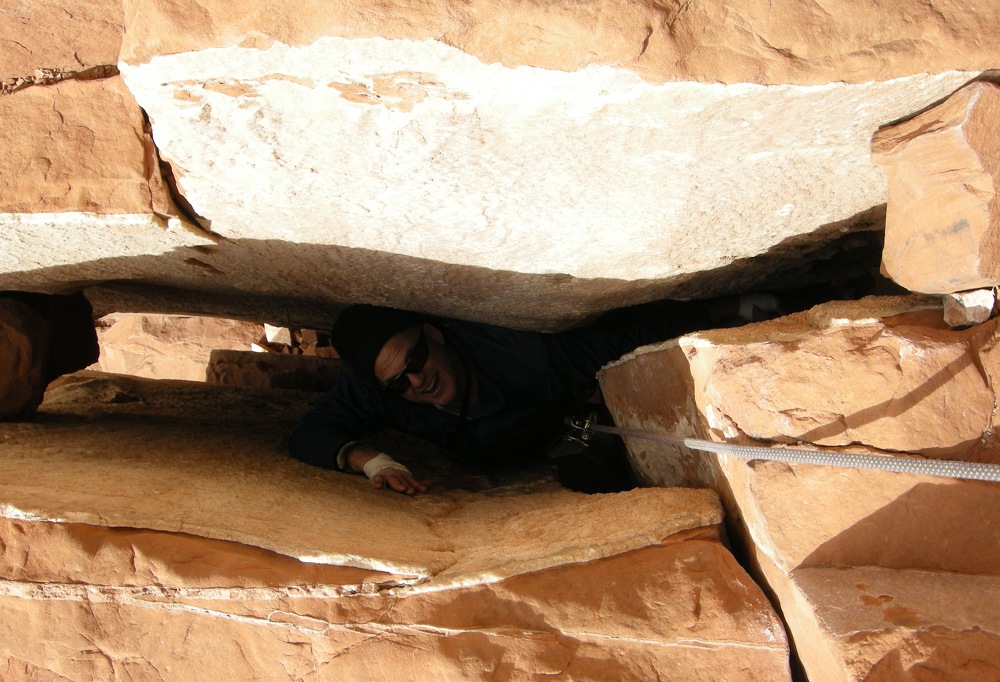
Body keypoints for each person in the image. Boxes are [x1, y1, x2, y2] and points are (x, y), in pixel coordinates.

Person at [289, 296, 775, 494]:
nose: (417, 381)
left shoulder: (526, 355)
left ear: (434, 334)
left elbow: (631, 333)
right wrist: (369, 460)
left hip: (563, 425)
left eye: (415, 360)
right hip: (489, 457)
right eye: (399, 381)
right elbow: (310, 433)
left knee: (595, 470)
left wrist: (743, 309)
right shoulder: (381, 392)